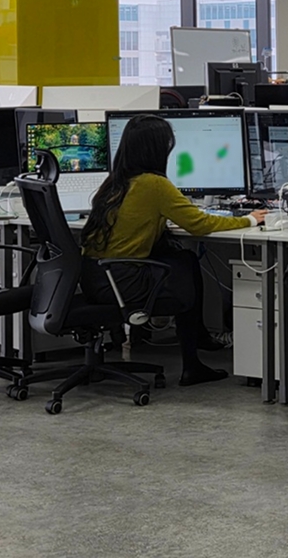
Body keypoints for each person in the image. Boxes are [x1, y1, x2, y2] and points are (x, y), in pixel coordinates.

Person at [82, 115, 267, 386]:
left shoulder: (115, 183)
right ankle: (192, 360)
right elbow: (199, 224)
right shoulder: (154, 184)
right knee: (185, 265)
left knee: (183, 258)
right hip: (123, 281)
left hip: (96, 278)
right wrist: (249, 219)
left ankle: (198, 344)